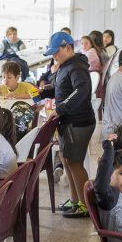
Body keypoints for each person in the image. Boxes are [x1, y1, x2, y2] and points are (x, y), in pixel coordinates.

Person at [37, 32, 95, 220]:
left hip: (78, 122)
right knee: (67, 160)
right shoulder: (65, 66)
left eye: (56, 52)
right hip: (68, 121)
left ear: (68, 47)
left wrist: (61, 108)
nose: (54, 56)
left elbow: (81, 90)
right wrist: (44, 92)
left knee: (75, 162)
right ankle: (74, 199)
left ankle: (86, 205)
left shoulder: (77, 67)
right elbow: (62, 88)